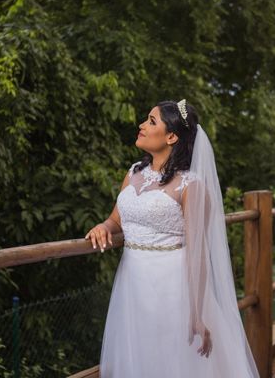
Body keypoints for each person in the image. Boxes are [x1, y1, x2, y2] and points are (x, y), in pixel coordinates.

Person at [85, 99, 260, 377]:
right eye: (146, 119)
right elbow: (115, 219)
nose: (142, 125)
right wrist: (103, 227)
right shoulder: (133, 174)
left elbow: (198, 253)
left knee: (174, 363)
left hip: (173, 288)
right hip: (132, 283)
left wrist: (197, 312)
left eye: (151, 121)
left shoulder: (191, 185)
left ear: (172, 136)